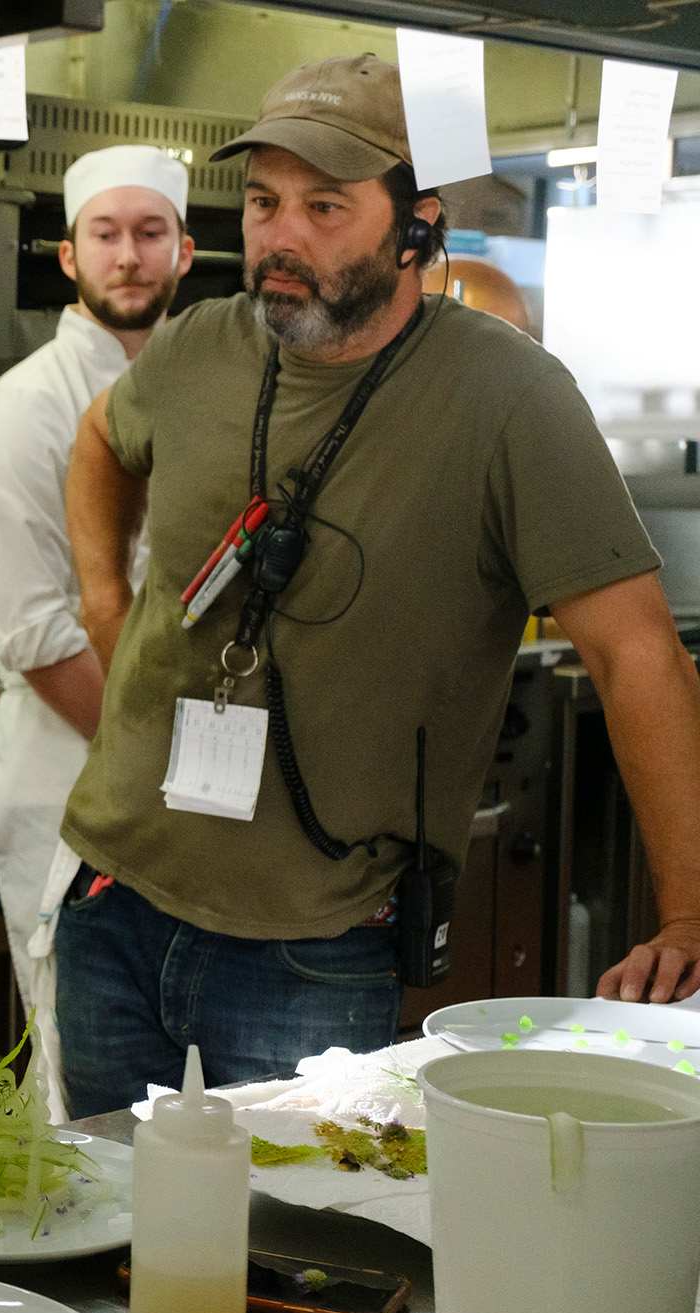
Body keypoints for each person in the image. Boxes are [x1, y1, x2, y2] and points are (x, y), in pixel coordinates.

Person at [58, 54, 700, 1116]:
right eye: (263, 202)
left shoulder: (507, 399)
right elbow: (98, 441)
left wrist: (685, 915)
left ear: (416, 226)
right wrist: (102, 604)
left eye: (323, 205)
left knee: (300, 1258)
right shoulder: (200, 348)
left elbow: (636, 655)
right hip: (113, 899)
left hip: (314, 944)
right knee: (100, 1240)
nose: (279, 235)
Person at [0, 144, 192, 1118]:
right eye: (106, 234)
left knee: (196, 1101)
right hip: (75, 794)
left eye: (148, 233)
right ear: (67, 257)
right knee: (87, 1096)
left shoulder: (205, 402)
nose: (127, 255)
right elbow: (38, 636)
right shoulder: (20, 416)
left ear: (182, 254)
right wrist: (158, 773)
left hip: (188, 804)